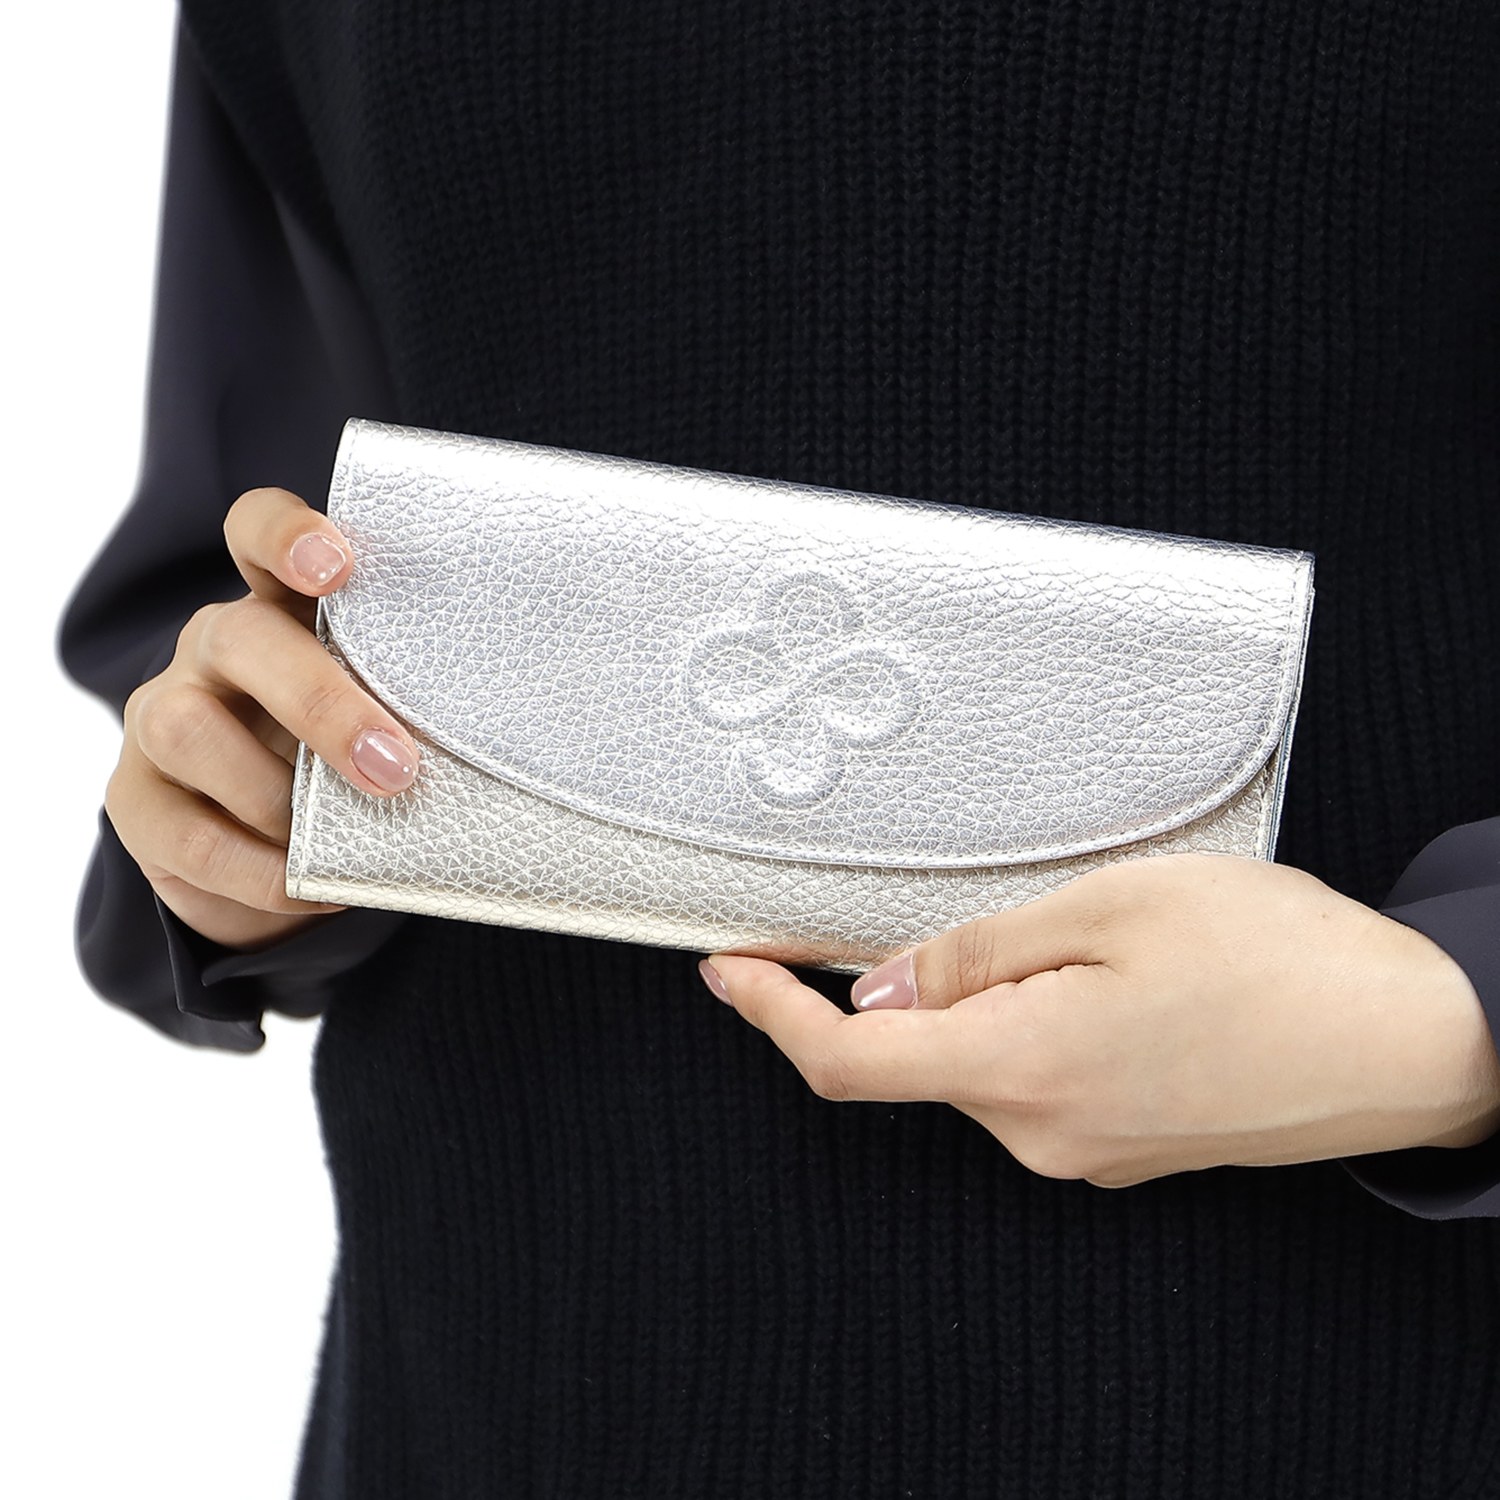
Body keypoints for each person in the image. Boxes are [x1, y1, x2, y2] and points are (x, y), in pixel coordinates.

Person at [60, 4, 1500, 1496]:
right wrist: (226, 805)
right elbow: (242, 587)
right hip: (513, 1367)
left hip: (1351, 1386)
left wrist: (1455, 1024)